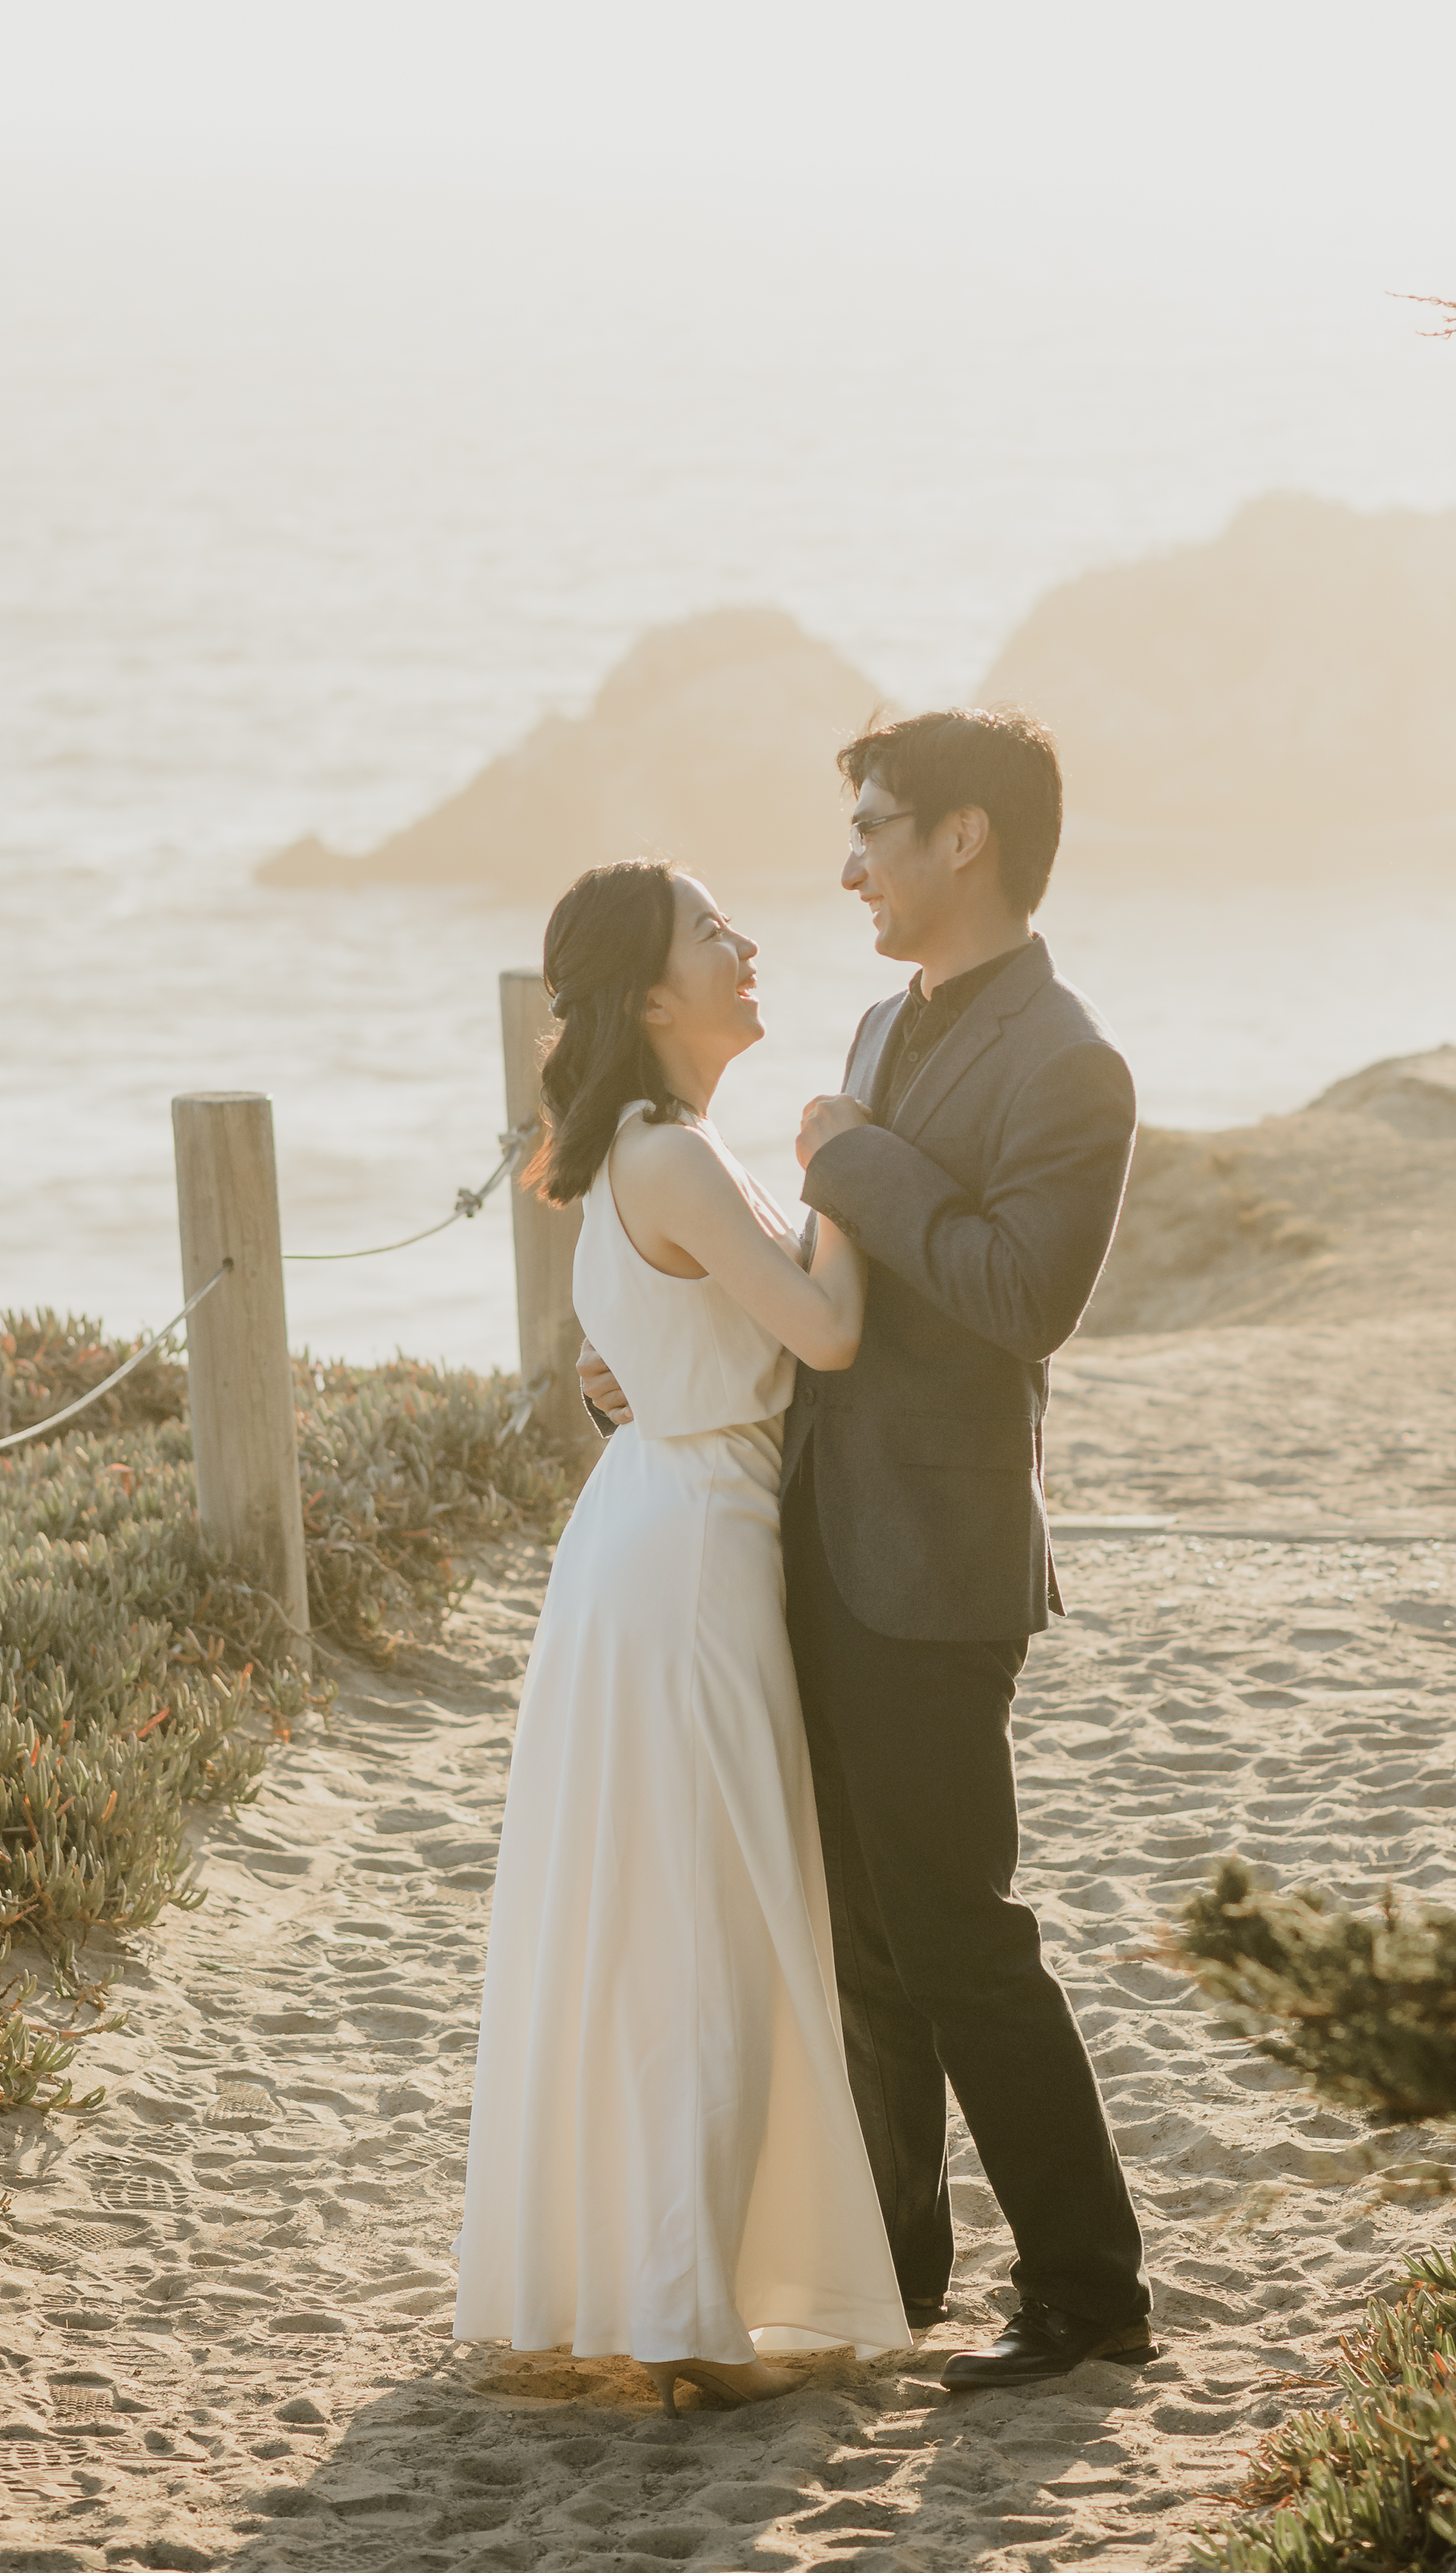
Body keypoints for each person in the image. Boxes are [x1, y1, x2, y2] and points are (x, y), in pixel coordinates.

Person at [581, 709, 1154, 2390]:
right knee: (862, 1946)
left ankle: (1088, 2292)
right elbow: (818, 1298)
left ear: (965, 838)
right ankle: (892, 2276)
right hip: (804, 1546)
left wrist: (856, 1153)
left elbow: (1011, 1296)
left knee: (960, 1930)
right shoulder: (871, 1022)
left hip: (937, 1561)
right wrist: (657, 1366)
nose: (849, 865)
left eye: (876, 827)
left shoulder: (1070, 1062)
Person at [454, 859, 910, 2414]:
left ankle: (669, 2289)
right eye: (714, 933)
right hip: (692, 1554)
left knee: (669, 1916)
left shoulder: (653, 1152)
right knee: (703, 1924)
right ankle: (682, 2312)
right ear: (652, 997)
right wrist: (844, 1170)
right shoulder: (672, 1157)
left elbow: (663, 1343)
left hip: (659, 1529)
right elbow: (829, 1332)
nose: (745, 942)